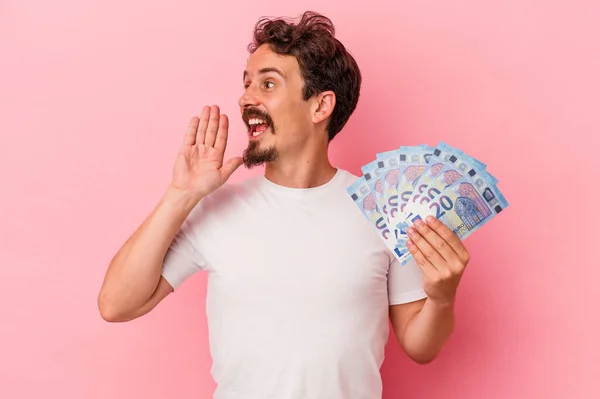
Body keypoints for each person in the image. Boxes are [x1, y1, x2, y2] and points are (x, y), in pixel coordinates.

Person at [98, 11, 471, 399]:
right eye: (246, 84)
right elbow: (116, 304)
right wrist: (181, 194)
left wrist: (443, 296)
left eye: (268, 84)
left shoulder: (384, 209)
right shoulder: (216, 209)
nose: (246, 98)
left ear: (320, 106)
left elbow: (420, 345)